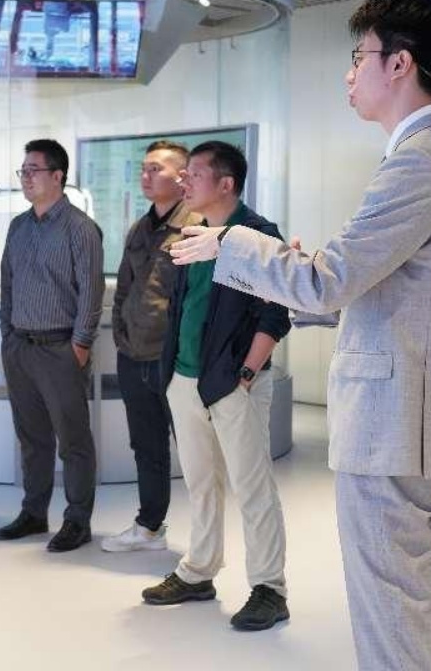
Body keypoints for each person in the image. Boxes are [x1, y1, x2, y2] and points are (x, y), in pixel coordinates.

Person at [172, 0, 431, 669]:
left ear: (400, 64)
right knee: (422, 605)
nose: (349, 74)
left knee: (392, 621)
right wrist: (299, 274)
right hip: (418, 423)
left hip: (397, 426)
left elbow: (327, 280)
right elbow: (379, 291)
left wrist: (230, 243)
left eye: (358, 56)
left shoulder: (420, 161)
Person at [140, 141, 292, 632]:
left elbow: (275, 313)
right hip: (185, 377)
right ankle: (199, 571)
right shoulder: (194, 232)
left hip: (233, 383)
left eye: (195, 174)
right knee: (201, 482)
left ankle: (269, 588)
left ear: (226, 183)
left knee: (252, 486)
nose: (184, 181)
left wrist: (246, 374)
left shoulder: (257, 234)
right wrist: (171, 373)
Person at [0, 138, 105, 552]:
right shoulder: (18, 227)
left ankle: (77, 520)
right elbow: (7, 286)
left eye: (33, 170)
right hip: (20, 348)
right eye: (22, 171)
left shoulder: (80, 228)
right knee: (32, 438)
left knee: (73, 441)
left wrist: (79, 346)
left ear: (58, 176)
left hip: (61, 349)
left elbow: (91, 293)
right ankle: (34, 512)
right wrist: (8, 337)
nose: (26, 178)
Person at [103, 140, 200, 553]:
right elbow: (124, 290)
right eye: (143, 168)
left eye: (156, 169)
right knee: (147, 446)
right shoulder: (139, 229)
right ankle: (149, 526)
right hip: (134, 355)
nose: (146, 175)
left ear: (182, 177)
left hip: (176, 360)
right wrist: (121, 336)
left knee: (196, 451)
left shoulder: (196, 226)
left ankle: (206, 540)